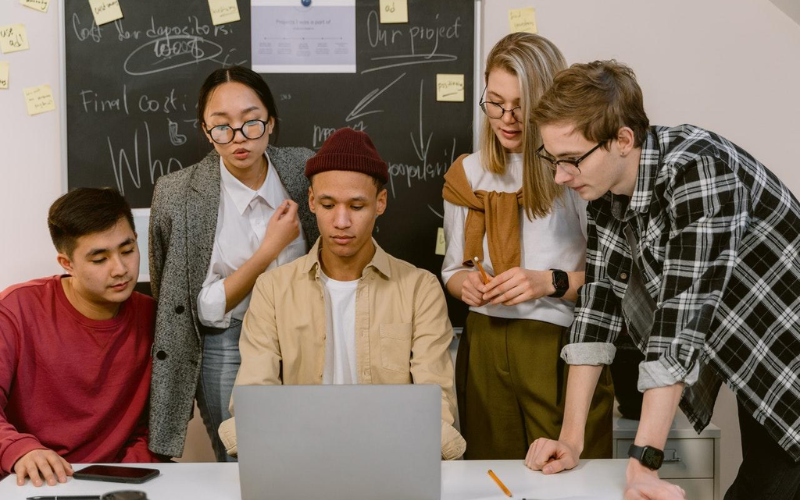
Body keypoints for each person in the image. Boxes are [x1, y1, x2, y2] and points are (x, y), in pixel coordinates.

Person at [525, 60, 800, 500]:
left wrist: (643, 465)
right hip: (762, 360)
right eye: (552, 159)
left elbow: (678, 325)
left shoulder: (700, 172)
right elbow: (597, 309)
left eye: (571, 160)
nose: (560, 176)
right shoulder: (606, 195)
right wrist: (571, 440)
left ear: (622, 140)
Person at [217, 127, 466, 460]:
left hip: (390, 458)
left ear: (380, 203)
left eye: (357, 206)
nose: (341, 221)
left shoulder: (419, 289)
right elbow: (254, 395)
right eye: (328, 204)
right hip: (299, 457)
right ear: (311, 201)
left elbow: (435, 402)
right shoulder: (273, 289)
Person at [441, 32, 613, 460]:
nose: (507, 118)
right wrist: (467, 286)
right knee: (489, 477)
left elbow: (615, 282)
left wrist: (547, 282)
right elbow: (452, 270)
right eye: (495, 102)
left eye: (521, 105)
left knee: (567, 473)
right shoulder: (467, 174)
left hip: (557, 344)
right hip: (482, 342)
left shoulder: (575, 170)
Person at [147, 66, 318, 461]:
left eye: (251, 122)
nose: (238, 137)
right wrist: (268, 250)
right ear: (206, 131)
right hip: (228, 343)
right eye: (222, 126)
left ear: (270, 122)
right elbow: (187, 303)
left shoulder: (304, 170)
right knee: (241, 459)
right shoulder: (177, 194)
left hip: (305, 335)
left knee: (310, 454)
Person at [0, 188, 161, 486]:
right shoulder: (15, 310)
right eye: (99, 259)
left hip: (121, 482)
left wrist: (129, 470)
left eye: (127, 250)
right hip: (32, 480)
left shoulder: (155, 319)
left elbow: (159, 423)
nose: (120, 269)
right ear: (67, 263)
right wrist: (20, 449)